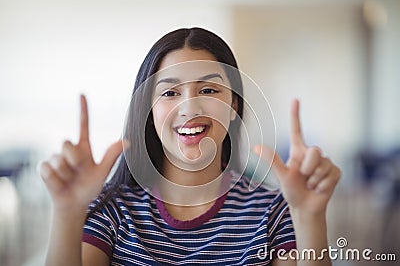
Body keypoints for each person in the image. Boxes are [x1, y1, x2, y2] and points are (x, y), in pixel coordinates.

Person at [39, 27, 341, 266]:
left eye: (208, 89)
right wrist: (67, 212)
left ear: (233, 104)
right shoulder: (112, 210)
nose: (189, 107)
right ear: (149, 109)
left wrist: (308, 217)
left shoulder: (272, 212)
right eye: (170, 92)